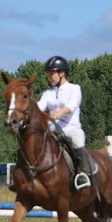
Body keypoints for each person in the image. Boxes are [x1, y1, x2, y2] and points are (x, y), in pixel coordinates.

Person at [38, 55, 91, 190]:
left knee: (77, 139)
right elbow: (40, 106)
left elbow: (72, 106)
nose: (49, 77)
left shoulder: (74, 88)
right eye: (48, 74)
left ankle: (83, 175)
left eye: (51, 74)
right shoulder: (48, 93)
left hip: (70, 128)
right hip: (52, 130)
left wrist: (59, 113)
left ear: (62, 73)